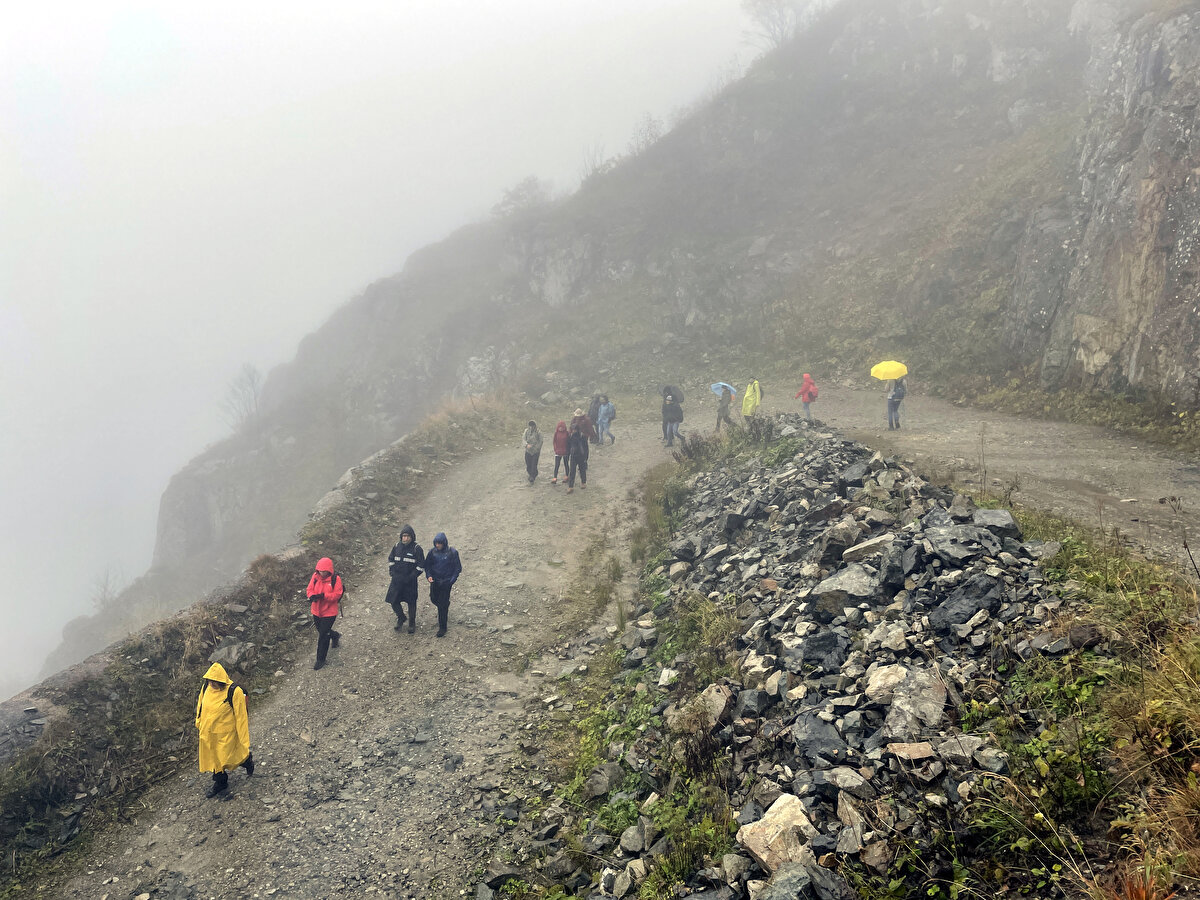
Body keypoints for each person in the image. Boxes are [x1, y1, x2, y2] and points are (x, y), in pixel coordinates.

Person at [195, 662, 253, 798]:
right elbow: (201, 705)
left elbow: (241, 717)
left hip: (226, 735)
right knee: (215, 760)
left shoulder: (234, 691)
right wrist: (198, 721)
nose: (211, 684)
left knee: (229, 758)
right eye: (210, 680)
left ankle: (246, 760)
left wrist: (244, 739)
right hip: (208, 734)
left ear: (221, 680)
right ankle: (220, 782)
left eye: (214, 681)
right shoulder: (206, 687)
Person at [385, 525, 424, 632]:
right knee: (393, 600)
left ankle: (412, 623)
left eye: (407, 536)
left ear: (412, 537)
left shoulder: (417, 549)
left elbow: (421, 566)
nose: (405, 538)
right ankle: (401, 617)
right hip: (396, 581)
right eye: (403, 536)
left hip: (410, 582)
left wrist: (412, 576)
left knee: (411, 602)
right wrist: (392, 572)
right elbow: (391, 559)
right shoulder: (396, 546)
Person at [306, 557, 344, 670]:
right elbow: (309, 589)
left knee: (323, 635)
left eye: (324, 571)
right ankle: (335, 636)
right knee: (322, 631)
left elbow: (337, 594)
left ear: (329, 570)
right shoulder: (315, 576)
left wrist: (324, 596)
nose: (322, 573)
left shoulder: (336, 579)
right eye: (320, 571)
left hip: (329, 612)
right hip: (316, 610)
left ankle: (321, 659)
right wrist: (312, 596)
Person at [425, 532, 462, 637]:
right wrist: (429, 576)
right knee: (433, 599)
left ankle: (442, 627)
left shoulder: (452, 552)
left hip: (446, 582)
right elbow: (427, 566)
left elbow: (458, 568)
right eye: (436, 543)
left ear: (444, 543)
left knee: (442, 605)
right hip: (435, 581)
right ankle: (444, 606)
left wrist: (451, 580)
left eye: (440, 543)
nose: (438, 545)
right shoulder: (432, 552)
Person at [566, 422, 589, 493]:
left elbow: (586, 448)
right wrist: (568, 455)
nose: (573, 431)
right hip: (573, 456)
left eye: (575, 429)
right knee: (572, 471)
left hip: (581, 456)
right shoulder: (571, 437)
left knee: (582, 470)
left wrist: (586, 457)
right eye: (572, 429)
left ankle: (583, 482)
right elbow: (568, 446)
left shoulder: (582, 437)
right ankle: (571, 486)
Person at [550, 420, 569, 484]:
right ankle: (555, 477)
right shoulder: (556, 433)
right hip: (558, 452)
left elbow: (569, 442)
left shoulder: (567, 433)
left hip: (565, 452)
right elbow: (554, 442)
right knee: (557, 465)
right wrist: (555, 449)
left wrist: (567, 450)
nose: (560, 428)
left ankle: (567, 475)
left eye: (562, 427)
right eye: (559, 427)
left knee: (566, 464)